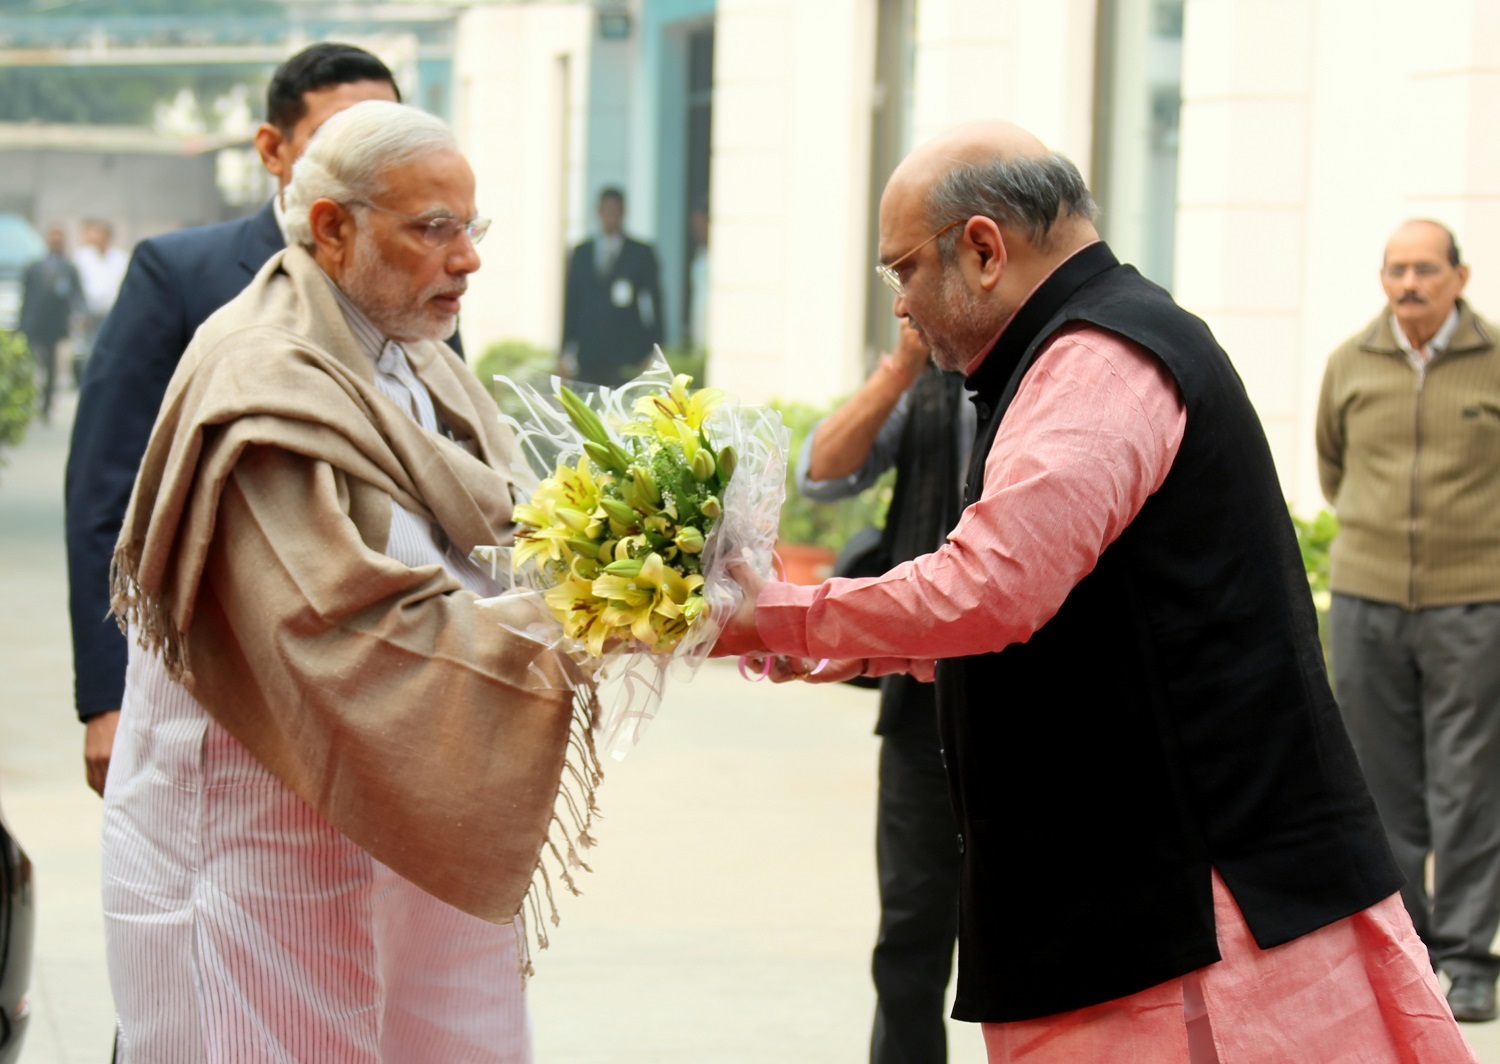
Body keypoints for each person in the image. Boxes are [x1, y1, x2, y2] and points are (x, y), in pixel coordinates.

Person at [717, 121, 1478, 1062]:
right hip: (1147, 896)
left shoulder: (1099, 357)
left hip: (1194, 911)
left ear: (984, 249)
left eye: (903, 271)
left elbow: (996, 587)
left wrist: (774, 613)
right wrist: (844, 641)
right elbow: (1071, 606)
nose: (902, 307)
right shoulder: (1085, 342)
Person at [103, 99, 597, 1062]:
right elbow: (331, 622)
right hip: (255, 830)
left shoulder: (418, 367)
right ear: (332, 227)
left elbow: (497, 528)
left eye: (472, 227)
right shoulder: (264, 380)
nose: (468, 258)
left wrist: (629, 570)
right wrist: (565, 631)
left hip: (381, 810)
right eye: (433, 229)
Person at [65, 43, 403, 798]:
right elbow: (107, 492)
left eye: (386, 140)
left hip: (377, 700)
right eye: (338, 141)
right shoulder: (180, 275)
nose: (367, 167)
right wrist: (106, 694)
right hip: (210, 688)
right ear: (272, 149)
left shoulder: (416, 288)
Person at [1316, 219, 1500, 1024]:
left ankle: (1470, 958)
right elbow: (1333, 465)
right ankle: (1411, 949)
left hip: (1475, 602)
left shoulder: (1495, 362)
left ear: (1459, 277)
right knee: (1381, 786)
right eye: (1396, 270)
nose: (1409, 284)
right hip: (1367, 602)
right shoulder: (1350, 364)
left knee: (1469, 784)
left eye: (1426, 269)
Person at [798, 321, 970, 1064]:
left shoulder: (1055, 372)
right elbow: (820, 471)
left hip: (1037, 706)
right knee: (910, 934)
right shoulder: (927, 381)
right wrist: (901, 363)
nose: (907, 294)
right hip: (920, 702)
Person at [561, 187, 664, 385]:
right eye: (606, 210)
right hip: (589, 353)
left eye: (615, 211)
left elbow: (654, 303)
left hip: (627, 354)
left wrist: (654, 349)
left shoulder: (640, 253)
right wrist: (565, 351)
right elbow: (571, 303)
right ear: (598, 213)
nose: (610, 216)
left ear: (623, 213)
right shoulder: (581, 253)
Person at [19, 224, 81, 422]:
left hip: (55, 325)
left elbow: (76, 295)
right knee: (28, 365)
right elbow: (26, 296)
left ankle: (46, 407)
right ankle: (25, 404)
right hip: (33, 322)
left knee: (51, 368)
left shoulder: (69, 268)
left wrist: (79, 315)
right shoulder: (35, 267)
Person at [71, 218, 129, 377]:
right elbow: (77, 288)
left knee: (111, 347)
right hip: (89, 313)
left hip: (113, 312)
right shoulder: (82, 257)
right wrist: (79, 313)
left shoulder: (121, 258)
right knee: (88, 349)